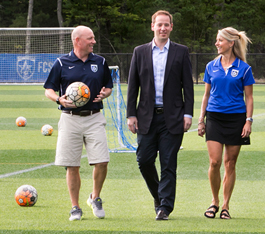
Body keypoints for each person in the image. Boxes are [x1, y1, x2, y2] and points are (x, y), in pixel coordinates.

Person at [127, 10, 194, 221]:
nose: (163, 28)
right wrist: (131, 114)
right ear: (152, 26)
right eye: (159, 25)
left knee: (168, 163)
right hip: (146, 116)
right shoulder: (139, 52)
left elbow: (188, 87)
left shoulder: (181, 52)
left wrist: (188, 114)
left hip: (172, 118)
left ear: (171, 27)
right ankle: (159, 196)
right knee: (144, 161)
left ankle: (165, 207)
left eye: (166, 25)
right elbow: (132, 86)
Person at [43, 25, 113, 221]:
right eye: (90, 38)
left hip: (94, 117)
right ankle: (75, 207)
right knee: (71, 165)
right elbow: (48, 89)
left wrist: (105, 93)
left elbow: (109, 86)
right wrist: (58, 99)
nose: (94, 41)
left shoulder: (100, 61)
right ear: (77, 41)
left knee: (102, 161)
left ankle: (95, 197)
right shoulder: (61, 62)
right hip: (69, 118)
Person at [198, 27, 255, 219]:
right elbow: (206, 96)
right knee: (214, 162)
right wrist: (201, 120)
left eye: (220, 40)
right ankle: (214, 202)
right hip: (214, 117)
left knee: (230, 163)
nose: (216, 43)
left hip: (236, 119)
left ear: (231, 43)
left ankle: (225, 205)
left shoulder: (244, 68)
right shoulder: (210, 66)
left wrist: (248, 121)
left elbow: (249, 97)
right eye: (216, 40)